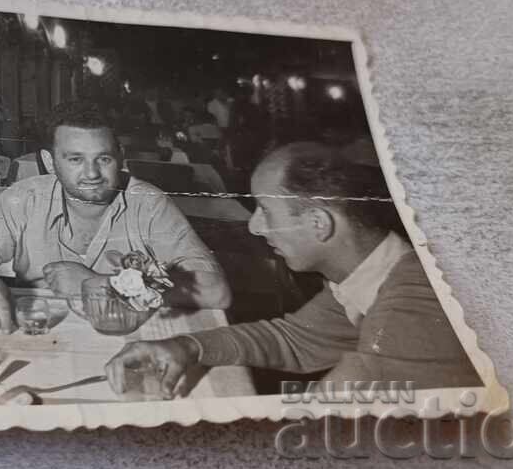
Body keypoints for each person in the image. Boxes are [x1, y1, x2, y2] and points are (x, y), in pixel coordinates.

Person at [106, 141, 480, 396]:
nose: (254, 226)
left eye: (266, 211)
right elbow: (294, 340)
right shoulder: (373, 277)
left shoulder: (409, 311)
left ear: (319, 223)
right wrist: (188, 346)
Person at [0, 100, 231, 333]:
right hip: (42, 330)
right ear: (49, 162)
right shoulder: (24, 198)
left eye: (103, 158)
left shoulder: (148, 203)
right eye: (75, 159)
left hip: (126, 336)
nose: (92, 173)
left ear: (120, 157)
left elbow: (217, 290)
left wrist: (101, 285)